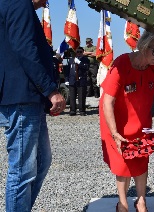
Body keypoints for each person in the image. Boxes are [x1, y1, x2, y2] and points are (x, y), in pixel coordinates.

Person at [0, 0, 66, 211]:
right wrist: (50, 90)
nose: (46, 1)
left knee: (40, 162)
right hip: (22, 96)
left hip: (27, 96)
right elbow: (26, 49)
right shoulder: (19, 3)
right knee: (22, 170)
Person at [99, 31, 154, 212]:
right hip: (116, 121)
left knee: (141, 159)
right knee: (122, 162)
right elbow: (107, 101)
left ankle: (141, 201)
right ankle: (122, 203)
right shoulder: (122, 63)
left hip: (141, 120)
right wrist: (115, 133)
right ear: (144, 47)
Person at [65, 47, 90, 116]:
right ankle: (72, 110)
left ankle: (82, 110)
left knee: (81, 96)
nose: (79, 53)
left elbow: (87, 67)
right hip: (72, 80)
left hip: (81, 80)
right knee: (72, 96)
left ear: (83, 52)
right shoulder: (71, 60)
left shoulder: (86, 60)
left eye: (80, 52)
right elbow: (67, 71)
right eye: (77, 52)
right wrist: (66, 80)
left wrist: (79, 63)